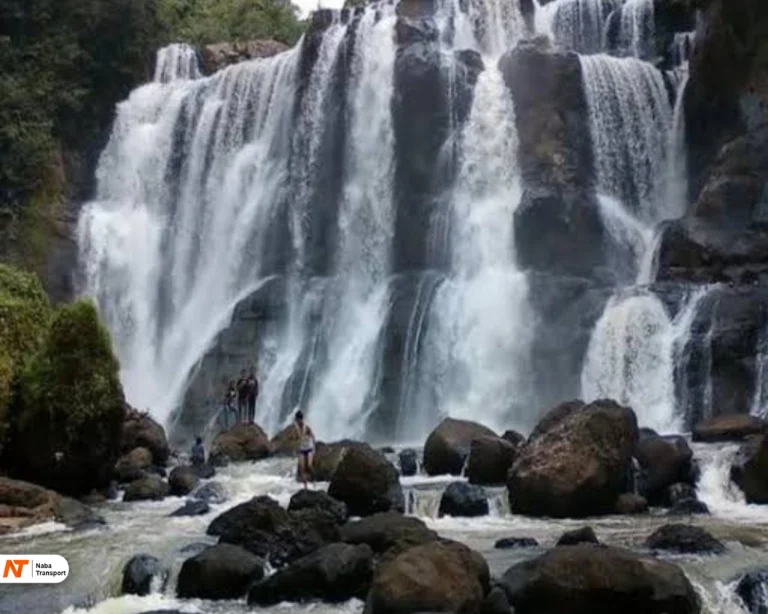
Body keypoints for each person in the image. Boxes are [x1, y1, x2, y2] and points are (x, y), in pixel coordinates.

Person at [294, 410, 315, 489]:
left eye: (297, 419)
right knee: (302, 467)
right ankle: (305, 486)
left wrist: (314, 449)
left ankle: (313, 479)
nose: (296, 421)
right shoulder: (296, 427)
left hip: (309, 448)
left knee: (309, 466)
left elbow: (313, 437)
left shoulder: (306, 427)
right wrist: (296, 448)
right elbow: (297, 438)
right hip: (301, 449)